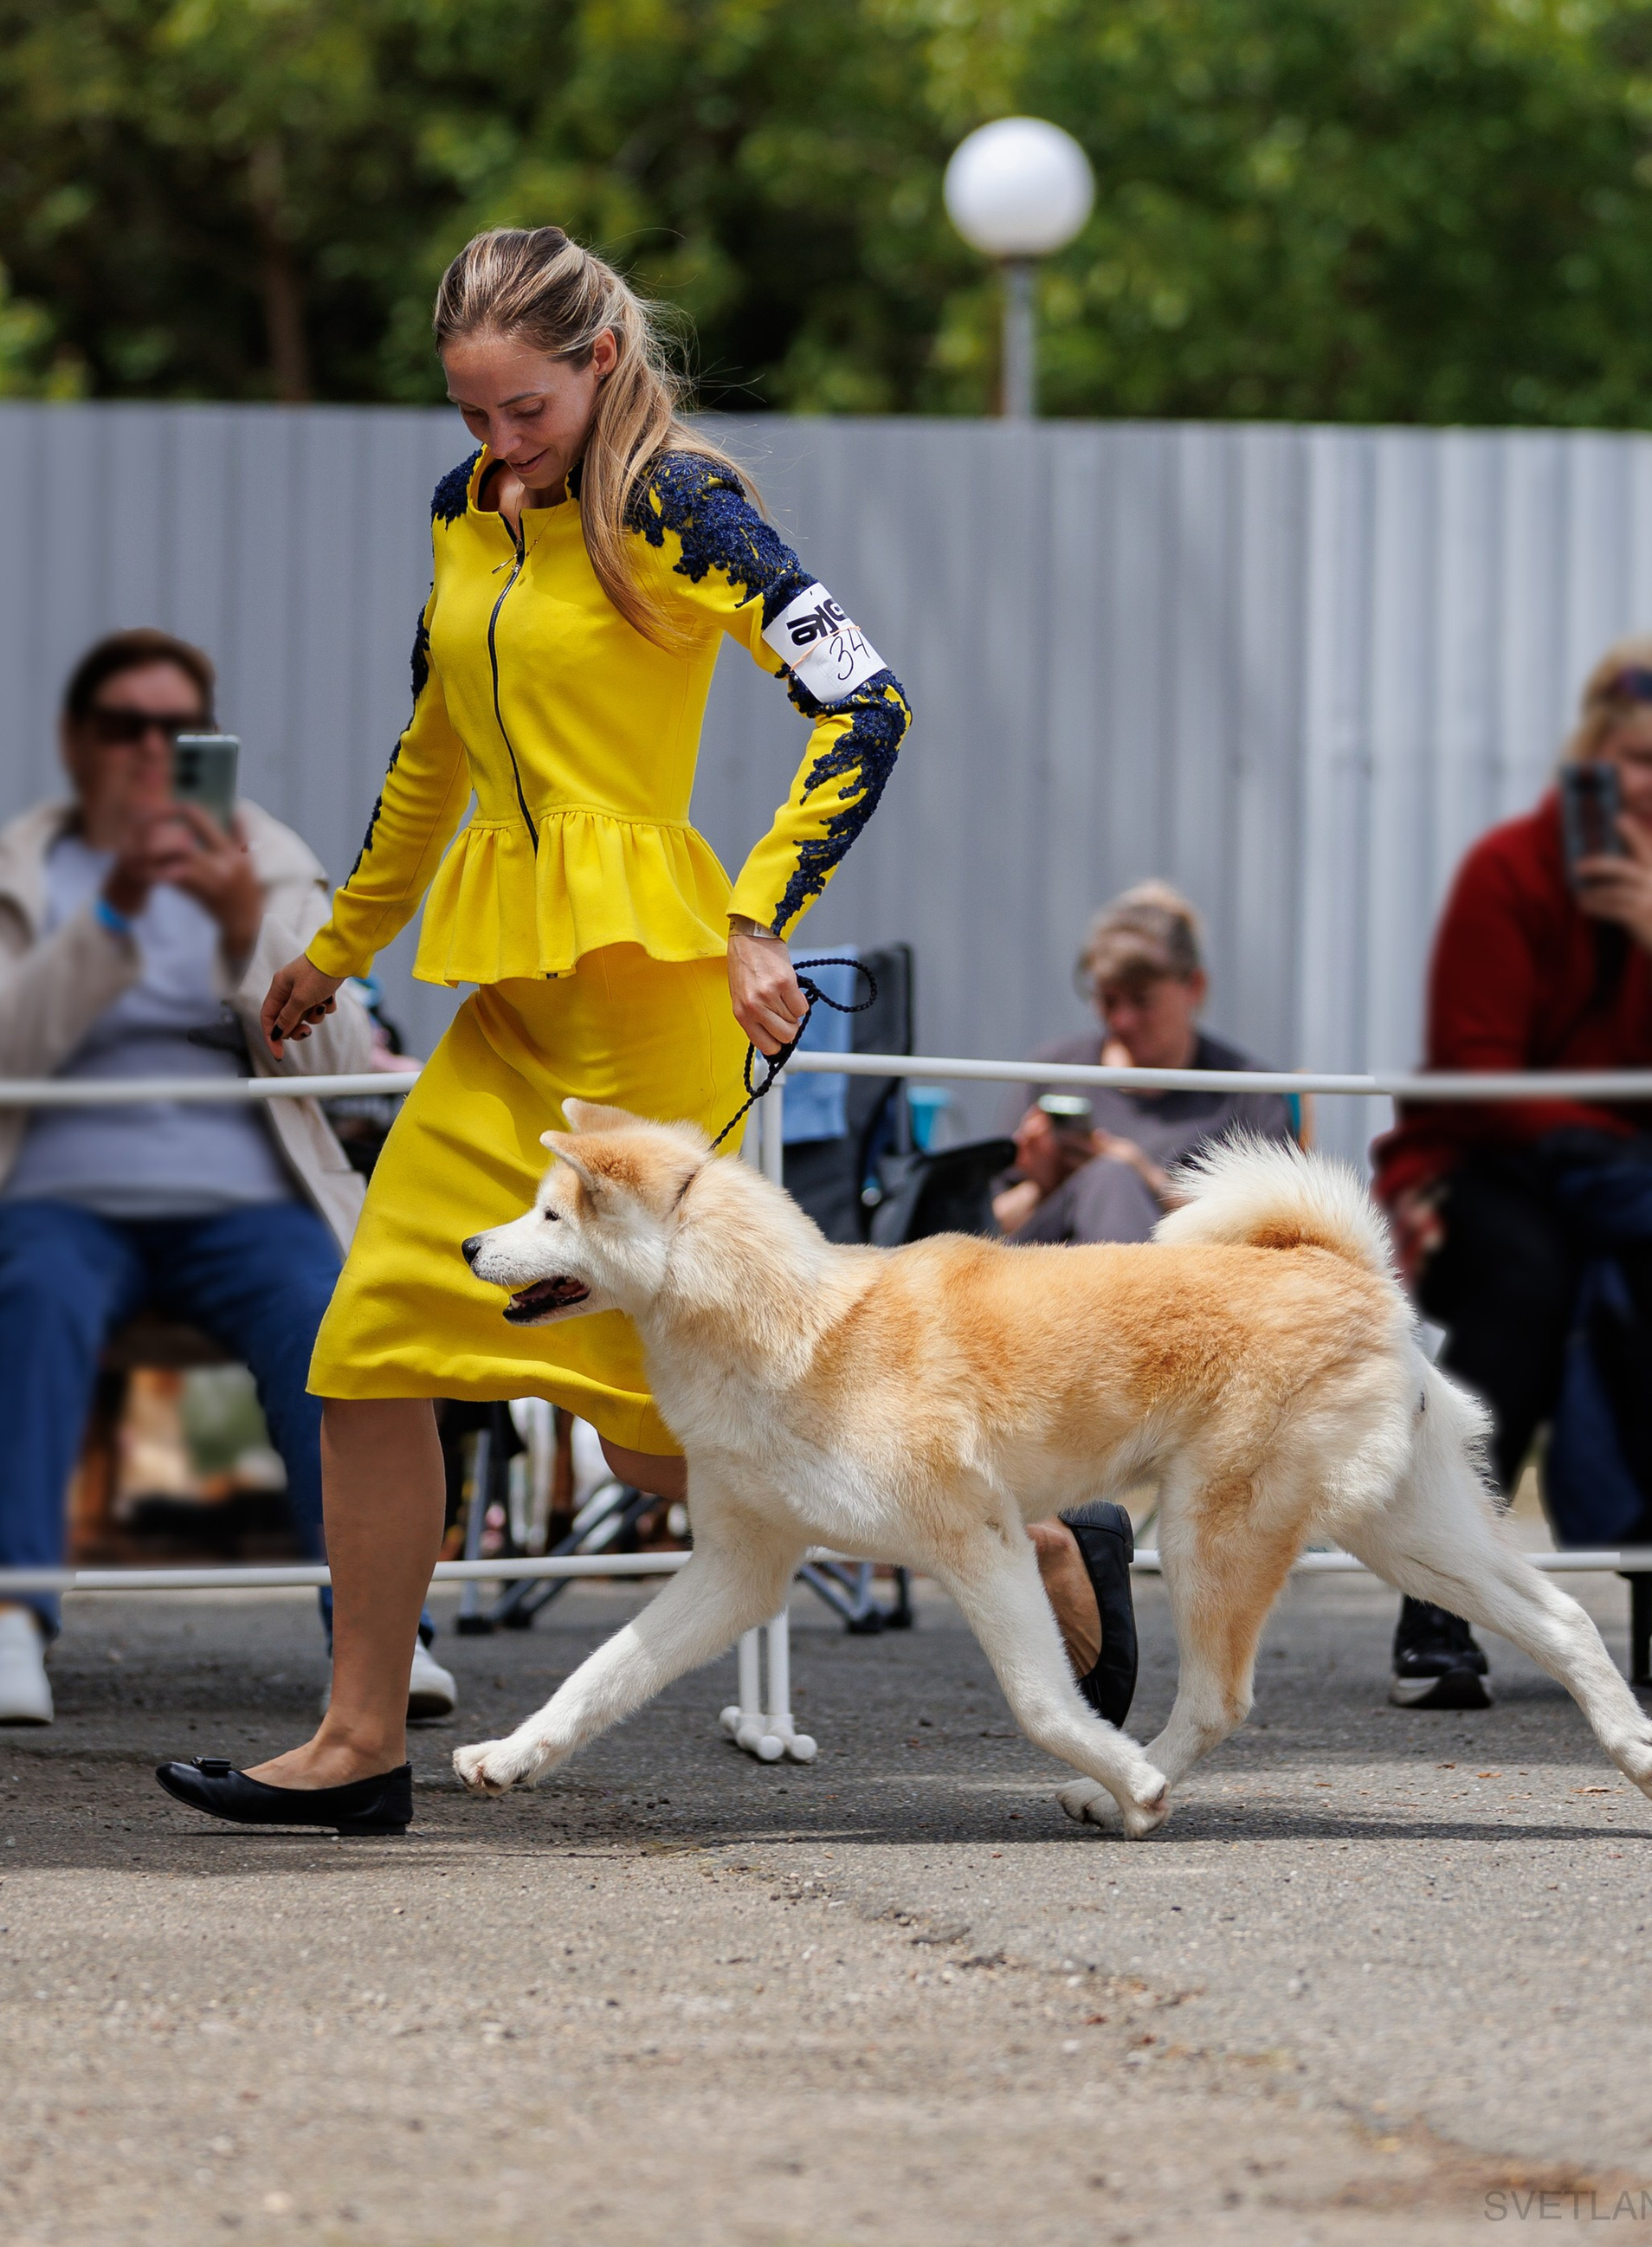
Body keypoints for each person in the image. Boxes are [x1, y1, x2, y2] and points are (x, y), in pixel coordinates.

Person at [154, 226, 1126, 1831]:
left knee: (691, 1446)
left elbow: (864, 698)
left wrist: (761, 911)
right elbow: (430, 757)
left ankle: (1017, 1530)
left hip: (650, 1031)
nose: (498, 445)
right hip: (504, 1019)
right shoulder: (472, 517)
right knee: (365, 1351)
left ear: (599, 363)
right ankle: (358, 1742)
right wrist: (332, 946)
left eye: (522, 409)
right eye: (472, 415)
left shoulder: (683, 508)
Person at [0, 627, 423, 1727]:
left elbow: (342, 1066)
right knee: (28, 1301)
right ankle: (5, 1620)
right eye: (121, 726)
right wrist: (118, 912)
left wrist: (243, 936)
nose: (146, 748)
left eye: (173, 729)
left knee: (335, 1322)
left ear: (205, 741)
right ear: (78, 743)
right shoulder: (12, 870)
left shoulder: (266, 859)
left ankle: (377, 1639)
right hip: (55, 1196)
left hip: (251, 1202)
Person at [1372, 625, 1652, 1711]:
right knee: (1522, 1283)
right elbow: (1473, 1074)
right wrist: (1618, 1138)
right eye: (1642, 758)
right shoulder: (1510, 868)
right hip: (1494, 1165)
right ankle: (1442, 1599)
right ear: (1596, 754)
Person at [995, 882, 1294, 1243]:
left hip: (1185, 1285)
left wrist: (1149, 1181)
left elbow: (1276, 1236)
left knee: (1111, 1178)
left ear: (1194, 987)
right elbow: (982, 1229)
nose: (1122, 1020)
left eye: (1142, 1000)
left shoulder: (1248, 1091)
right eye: (1108, 1001)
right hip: (1051, 1283)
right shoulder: (1052, 1071)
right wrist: (1045, 1188)